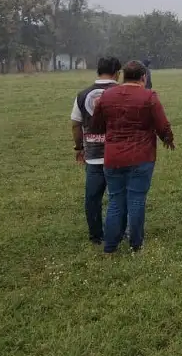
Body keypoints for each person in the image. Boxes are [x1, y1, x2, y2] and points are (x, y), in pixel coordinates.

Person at [91, 60, 174, 254]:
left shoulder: (106, 96)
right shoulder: (149, 96)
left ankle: (110, 246)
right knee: (136, 200)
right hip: (141, 155)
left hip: (112, 157)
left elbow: (96, 126)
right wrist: (167, 138)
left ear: (123, 76)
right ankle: (135, 244)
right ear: (143, 77)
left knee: (115, 201)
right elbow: (162, 124)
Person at [71, 56, 121, 245]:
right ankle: (118, 232)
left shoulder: (83, 95)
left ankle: (96, 236)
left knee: (93, 198)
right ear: (117, 72)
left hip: (93, 156)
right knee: (118, 197)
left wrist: (79, 148)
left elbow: (75, 124)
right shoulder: (121, 92)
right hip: (117, 154)